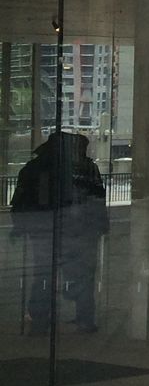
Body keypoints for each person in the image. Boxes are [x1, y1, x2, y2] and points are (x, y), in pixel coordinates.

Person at [10, 130, 107, 335]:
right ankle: (84, 319)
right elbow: (97, 200)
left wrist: (19, 226)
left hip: (45, 230)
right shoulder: (87, 168)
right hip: (78, 231)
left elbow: (20, 201)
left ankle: (40, 321)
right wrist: (99, 226)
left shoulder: (34, 168)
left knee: (44, 275)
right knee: (81, 275)